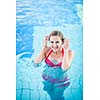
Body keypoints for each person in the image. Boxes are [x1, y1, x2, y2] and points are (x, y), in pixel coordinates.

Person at [34, 30, 74, 100]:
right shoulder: (47, 50)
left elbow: (65, 69)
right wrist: (43, 47)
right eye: (52, 42)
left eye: (57, 42)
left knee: (57, 97)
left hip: (60, 81)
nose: (54, 45)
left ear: (62, 42)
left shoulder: (69, 52)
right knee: (50, 95)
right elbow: (36, 63)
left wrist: (66, 49)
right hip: (46, 78)